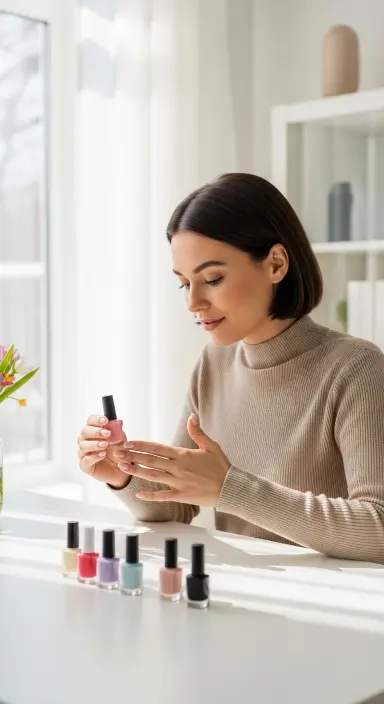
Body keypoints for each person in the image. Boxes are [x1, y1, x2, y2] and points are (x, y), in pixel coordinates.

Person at [78, 173, 384, 563]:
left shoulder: (356, 369)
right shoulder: (213, 364)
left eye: (212, 278)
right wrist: (120, 474)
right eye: (184, 283)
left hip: (327, 607)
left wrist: (230, 488)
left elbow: (379, 528)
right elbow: (176, 505)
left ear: (275, 264)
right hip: (238, 597)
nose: (193, 303)